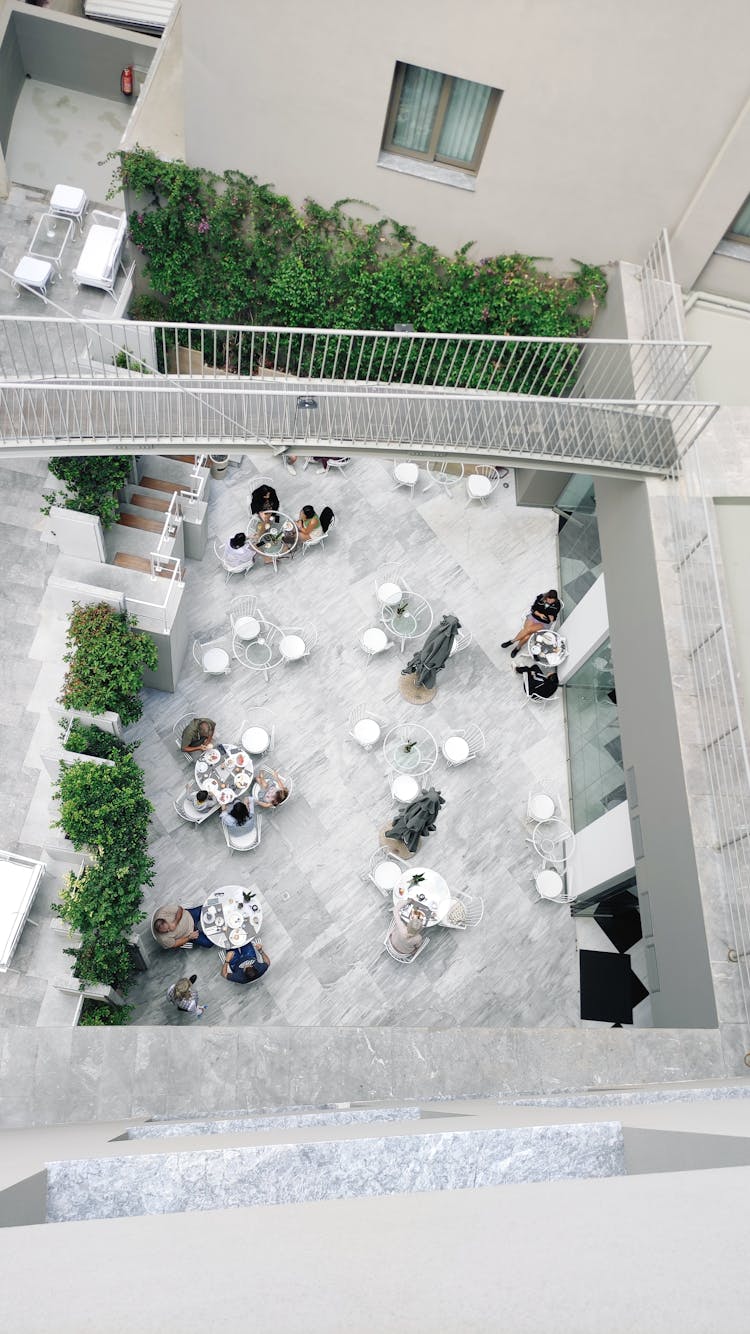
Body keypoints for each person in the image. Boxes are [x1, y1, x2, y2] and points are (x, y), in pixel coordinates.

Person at [502, 589, 562, 658]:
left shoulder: (557, 604)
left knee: (527, 632)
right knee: (527, 633)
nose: (550, 602)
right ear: (546, 597)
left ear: (555, 599)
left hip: (543, 622)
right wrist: (540, 614)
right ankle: (516, 646)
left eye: (552, 600)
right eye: (549, 599)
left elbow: (554, 617)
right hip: (534, 617)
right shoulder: (540, 598)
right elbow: (533, 609)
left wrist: (551, 617)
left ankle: (513, 643)